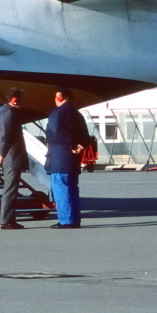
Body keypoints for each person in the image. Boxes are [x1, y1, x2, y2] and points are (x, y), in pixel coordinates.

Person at [45, 88, 94, 228]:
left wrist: (71, 143)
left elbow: (54, 132)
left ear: (59, 97)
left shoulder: (57, 113)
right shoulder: (78, 115)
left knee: (61, 189)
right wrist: (80, 146)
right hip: (73, 159)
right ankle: (74, 219)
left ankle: (66, 220)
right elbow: (86, 136)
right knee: (72, 189)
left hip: (59, 158)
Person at [0, 89, 28, 229]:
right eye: (22, 99)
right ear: (14, 100)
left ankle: (9, 219)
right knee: (10, 189)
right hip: (11, 157)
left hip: (11, 156)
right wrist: (1, 153)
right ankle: (5, 221)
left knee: (11, 189)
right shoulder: (9, 114)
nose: (24, 102)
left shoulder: (7, 113)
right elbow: (5, 136)